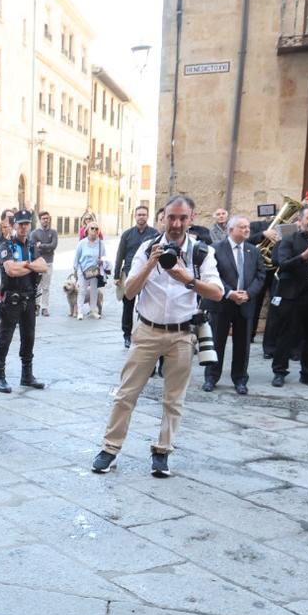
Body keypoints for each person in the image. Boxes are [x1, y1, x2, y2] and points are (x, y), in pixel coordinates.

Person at [92, 195, 224, 477]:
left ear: (191, 218)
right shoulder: (145, 248)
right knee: (126, 394)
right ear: (162, 218)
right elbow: (129, 292)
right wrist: (151, 263)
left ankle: (163, 451)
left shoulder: (202, 253)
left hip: (182, 334)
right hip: (148, 331)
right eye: (171, 217)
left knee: (174, 399)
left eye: (182, 218)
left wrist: (185, 277)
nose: (176, 224)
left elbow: (218, 292)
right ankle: (110, 448)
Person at [272, 205, 308, 388]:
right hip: (292, 296)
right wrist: (304, 255)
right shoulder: (288, 240)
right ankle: (279, 371)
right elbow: (283, 264)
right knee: (286, 335)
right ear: (300, 221)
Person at [205, 214, 264, 394]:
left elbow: (261, 275)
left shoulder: (253, 250)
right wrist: (229, 293)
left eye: (248, 227)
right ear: (231, 230)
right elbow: (211, 274)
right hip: (221, 302)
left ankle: (240, 379)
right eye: (242, 227)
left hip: (245, 304)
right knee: (216, 342)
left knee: (243, 344)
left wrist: (248, 293)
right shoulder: (215, 248)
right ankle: (211, 377)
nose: (247, 230)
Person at [0, 210, 50, 392]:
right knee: (5, 339)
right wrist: (29, 265)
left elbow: (43, 267)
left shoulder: (32, 246)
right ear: (14, 225)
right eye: (21, 223)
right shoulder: (6, 247)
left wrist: (24, 264)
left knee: (29, 338)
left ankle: (27, 375)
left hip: (30, 298)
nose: (24, 227)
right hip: (12, 299)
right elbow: (11, 270)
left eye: (27, 223)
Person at [114, 205, 160, 347]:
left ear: (148, 216)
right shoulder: (127, 234)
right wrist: (116, 275)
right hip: (129, 273)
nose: (141, 217)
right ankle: (127, 334)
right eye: (139, 214)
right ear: (135, 216)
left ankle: (143, 332)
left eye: (144, 214)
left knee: (146, 304)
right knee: (128, 306)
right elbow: (120, 254)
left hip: (148, 275)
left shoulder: (154, 234)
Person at [29, 211, 60, 316]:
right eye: (43, 218)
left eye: (47, 218)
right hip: (38, 263)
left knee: (46, 287)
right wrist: (46, 247)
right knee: (37, 286)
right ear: (40, 220)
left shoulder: (53, 232)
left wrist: (41, 245)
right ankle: (36, 307)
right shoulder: (34, 233)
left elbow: (53, 245)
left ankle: (45, 307)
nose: (45, 220)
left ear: (49, 219)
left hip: (49, 262)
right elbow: (33, 248)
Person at [73, 225, 106, 320]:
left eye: (97, 228)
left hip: (95, 271)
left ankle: (93, 311)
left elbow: (104, 256)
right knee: (82, 291)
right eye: (92, 228)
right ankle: (80, 311)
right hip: (83, 270)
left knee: (94, 291)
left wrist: (102, 261)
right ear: (87, 230)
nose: (94, 230)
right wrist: (76, 270)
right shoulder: (82, 243)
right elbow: (77, 258)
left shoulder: (101, 244)